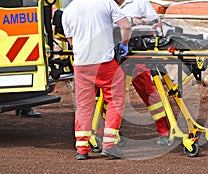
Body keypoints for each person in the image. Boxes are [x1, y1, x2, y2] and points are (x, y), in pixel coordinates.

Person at [62, 0, 132, 160]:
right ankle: (110, 145)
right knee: (115, 99)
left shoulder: (68, 10)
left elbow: (71, 42)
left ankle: (81, 148)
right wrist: (124, 44)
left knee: (84, 106)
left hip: (81, 65)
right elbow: (126, 27)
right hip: (104, 63)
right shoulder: (107, 3)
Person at [114, 0, 171, 145]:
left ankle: (164, 131)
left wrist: (139, 22)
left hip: (137, 54)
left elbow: (155, 23)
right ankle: (112, 132)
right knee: (110, 95)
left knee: (148, 93)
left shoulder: (139, 2)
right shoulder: (106, 3)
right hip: (114, 54)